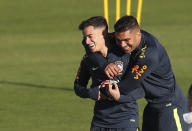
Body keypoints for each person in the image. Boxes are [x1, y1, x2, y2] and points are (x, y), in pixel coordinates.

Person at [100, 15, 189, 131]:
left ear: (138, 34)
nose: (122, 45)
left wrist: (102, 90)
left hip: (170, 108)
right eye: (118, 40)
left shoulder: (150, 54)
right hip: (151, 106)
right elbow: (92, 42)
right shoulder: (132, 38)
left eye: (127, 40)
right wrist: (103, 64)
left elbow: (128, 85)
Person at [74, 16, 140, 131]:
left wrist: (119, 96)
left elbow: (139, 87)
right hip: (100, 122)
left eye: (90, 37)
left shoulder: (126, 54)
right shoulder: (88, 60)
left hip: (126, 120)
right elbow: (78, 87)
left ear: (104, 34)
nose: (86, 41)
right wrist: (90, 93)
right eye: (85, 37)